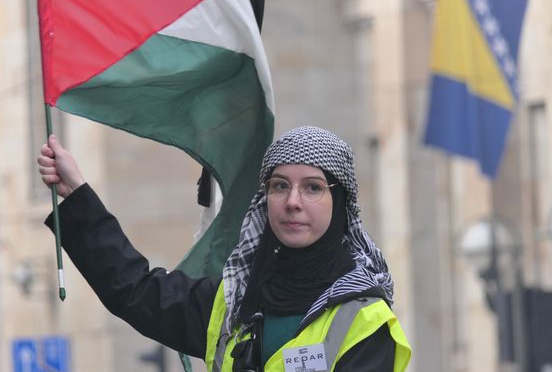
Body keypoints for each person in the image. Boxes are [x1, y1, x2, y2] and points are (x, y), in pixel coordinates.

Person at [38, 126, 412, 371]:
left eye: (313, 187)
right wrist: (79, 196)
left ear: (340, 202)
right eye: (280, 186)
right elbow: (135, 289)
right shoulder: (235, 298)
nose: (292, 201)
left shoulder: (365, 322)